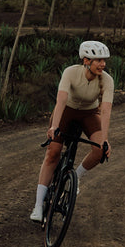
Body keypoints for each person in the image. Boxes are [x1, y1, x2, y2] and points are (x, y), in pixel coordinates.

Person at [30, 39, 113, 222]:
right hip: (67, 111)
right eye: (98, 60)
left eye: (104, 60)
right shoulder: (70, 73)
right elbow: (60, 100)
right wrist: (54, 127)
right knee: (53, 152)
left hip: (89, 113)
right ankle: (37, 206)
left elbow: (106, 110)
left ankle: (75, 176)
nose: (103, 64)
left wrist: (105, 138)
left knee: (99, 150)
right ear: (86, 61)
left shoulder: (107, 80)